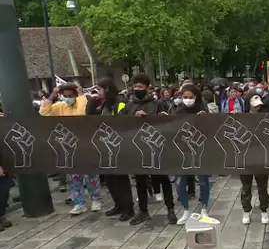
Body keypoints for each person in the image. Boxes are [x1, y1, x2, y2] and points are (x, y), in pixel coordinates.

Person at [40, 83, 102, 215]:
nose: (67, 98)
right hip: (68, 146)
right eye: (65, 96)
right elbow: (44, 112)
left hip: (85, 145)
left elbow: (81, 112)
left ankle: (96, 199)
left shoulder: (82, 103)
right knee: (73, 178)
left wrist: (80, 95)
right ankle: (79, 203)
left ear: (75, 95)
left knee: (91, 175)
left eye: (70, 95)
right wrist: (52, 95)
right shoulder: (60, 107)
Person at [123, 73, 177, 225]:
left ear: (147, 87)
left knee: (162, 179)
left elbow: (166, 123)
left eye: (140, 86)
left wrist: (151, 118)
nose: (137, 89)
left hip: (156, 148)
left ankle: (170, 209)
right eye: (135, 86)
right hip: (138, 148)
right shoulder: (129, 105)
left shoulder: (158, 104)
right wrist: (133, 116)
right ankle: (143, 211)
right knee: (140, 181)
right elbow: (121, 123)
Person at [86, 78, 135, 221]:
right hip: (105, 147)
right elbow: (90, 117)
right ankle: (118, 205)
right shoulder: (103, 106)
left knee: (120, 179)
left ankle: (128, 208)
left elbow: (121, 121)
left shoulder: (120, 103)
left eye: (99, 89)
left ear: (107, 89)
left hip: (118, 146)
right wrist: (92, 102)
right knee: (109, 179)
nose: (98, 92)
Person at [173, 84, 211, 224]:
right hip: (183, 151)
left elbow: (211, 131)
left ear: (196, 97)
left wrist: (206, 119)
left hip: (200, 151)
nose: (188, 100)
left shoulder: (203, 110)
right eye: (185, 97)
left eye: (191, 97)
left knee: (203, 181)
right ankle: (185, 210)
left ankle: (204, 209)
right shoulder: (177, 111)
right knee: (179, 182)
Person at [240, 95, 269, 225]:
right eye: (254, 104)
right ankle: (246, 211)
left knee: (262, 187)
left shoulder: (266, 117)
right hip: (246, 157)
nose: (257, 106)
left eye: (259, 104)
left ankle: (264, 210)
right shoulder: (242, 118)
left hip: (261, 157)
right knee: (246, 186)